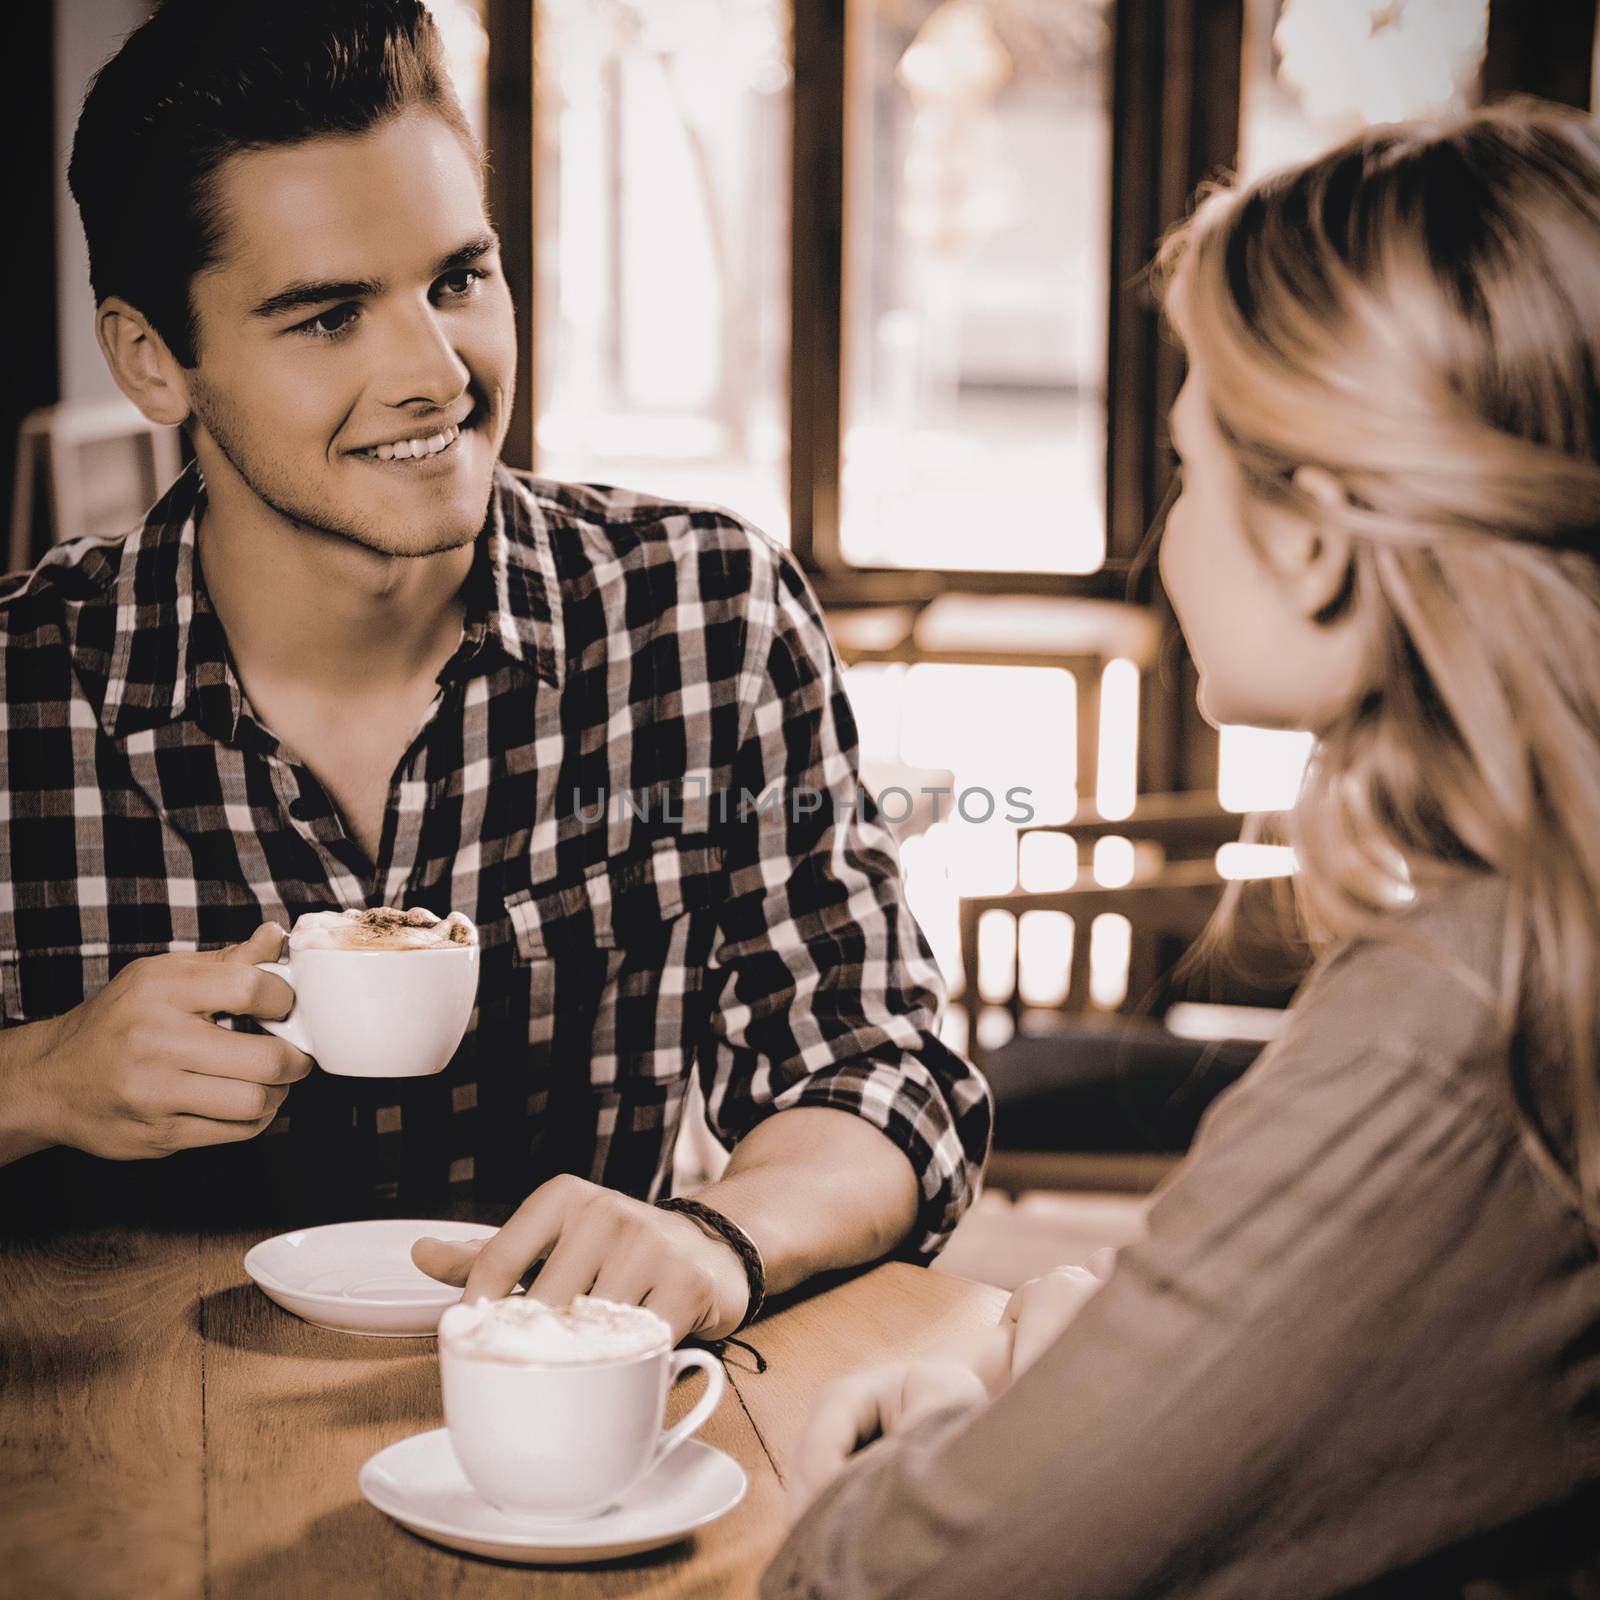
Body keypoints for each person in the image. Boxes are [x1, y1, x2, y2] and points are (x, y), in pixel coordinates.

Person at [0, 0, 991, 1347]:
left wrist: (714, 1237)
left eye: (457, 280)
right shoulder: (21, 690)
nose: (433, 373)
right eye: (326, 317)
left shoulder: (701, 618)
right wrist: (36, 1083)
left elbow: (882, 1075)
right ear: (151, 359)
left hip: (564, 1472)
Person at [765, 103, 1600, 1597]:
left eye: (1186, 466)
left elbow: (878, 1579)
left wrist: (961, 1407)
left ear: (1316, 540)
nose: (1163, 542)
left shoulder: (1462, 1025)